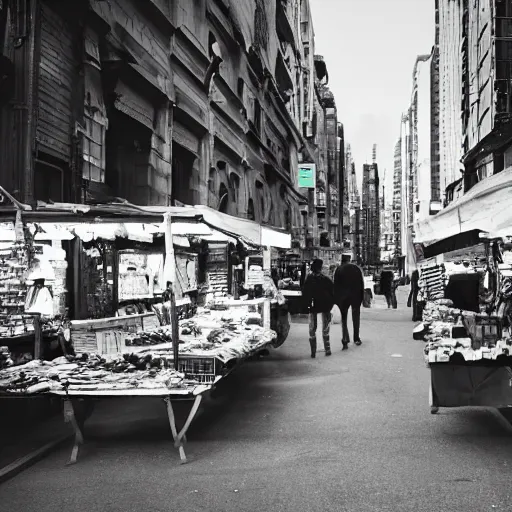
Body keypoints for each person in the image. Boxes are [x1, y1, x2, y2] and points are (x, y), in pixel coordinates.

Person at [302, 258, 335, 358]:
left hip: (313, 306)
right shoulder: (325, 278)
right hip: (325, 306)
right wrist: (331, 304)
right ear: (320, 268)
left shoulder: (309, 278)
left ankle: (313, 352)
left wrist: (306, 305)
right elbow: (333, 291)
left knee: (312, 328)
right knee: (325, 328)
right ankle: (327, 349)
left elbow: (305, 293)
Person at [334, 254, 364, 349]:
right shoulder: (356, 268)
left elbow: (336, 285)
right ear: (349, 259)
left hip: (343, 297)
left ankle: (345, 339)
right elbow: (361, 284)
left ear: (342, 260)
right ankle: (356, 338)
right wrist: (361, 297)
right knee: (356, 317)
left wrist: (336, 299)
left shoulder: (338, 269)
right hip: (355, 296)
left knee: (343, 318)